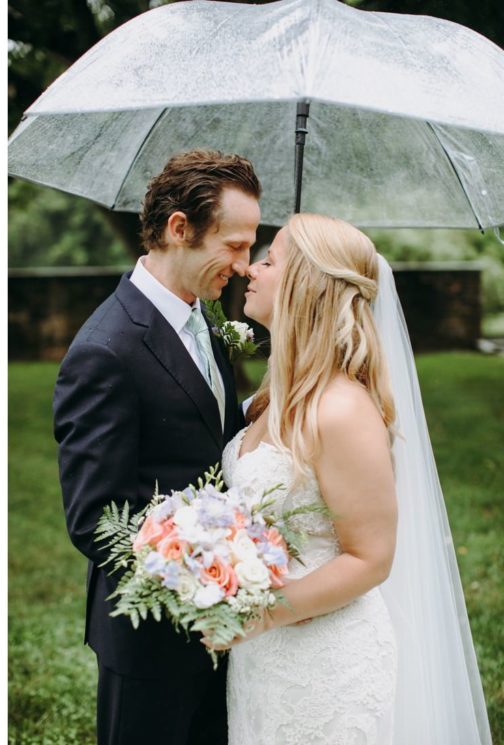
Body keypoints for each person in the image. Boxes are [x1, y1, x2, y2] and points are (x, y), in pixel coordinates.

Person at [216, 213, 491, 744]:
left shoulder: (341, 409)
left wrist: (257, 614)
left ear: (306, 285)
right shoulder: (272, 398)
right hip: (263, 661)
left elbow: (370, 558)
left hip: (324, 662)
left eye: (270, 261)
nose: (251, 269)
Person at [53, 149, 261, 745]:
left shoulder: (205, 318)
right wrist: (209, 566)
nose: (246, 266)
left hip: (225, 629)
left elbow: (202, 434)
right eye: (236, 245)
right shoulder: (106, 350)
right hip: (151, 643)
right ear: (178, 229)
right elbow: (95, 518)